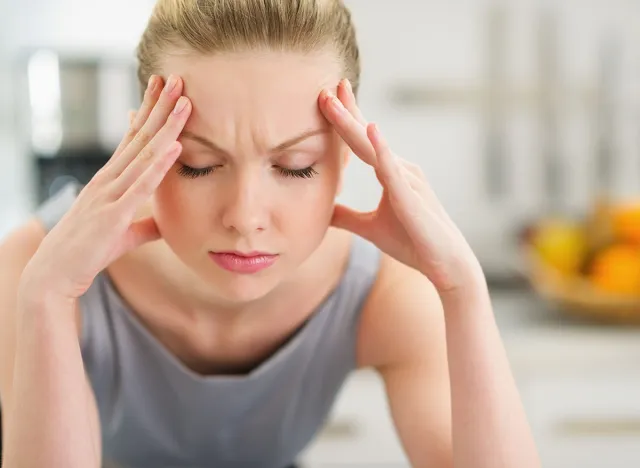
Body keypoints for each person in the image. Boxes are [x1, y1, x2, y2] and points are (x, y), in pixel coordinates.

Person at [0, 1, 540, 467]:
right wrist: (46, 299)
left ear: (344, 158)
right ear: (140, 140)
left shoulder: (382, 291)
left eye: (296, 166)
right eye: (199, 164)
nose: (245, 216)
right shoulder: (39, 268)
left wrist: (463, 290)